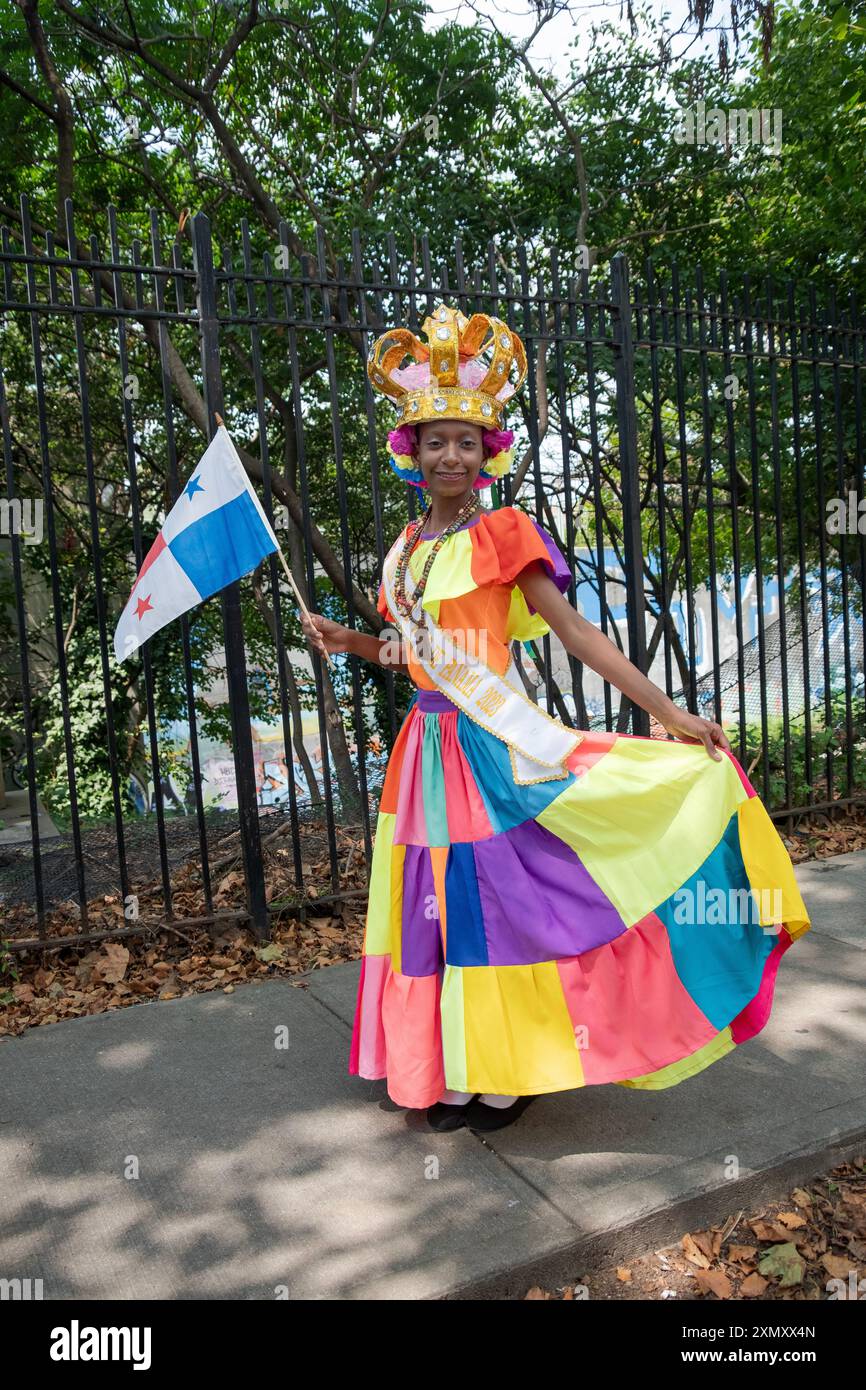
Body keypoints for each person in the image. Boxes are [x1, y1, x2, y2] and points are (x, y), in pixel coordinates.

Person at [301, 302, 811, 1134]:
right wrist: (351, 639)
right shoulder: (408, 547)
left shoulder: (503, 534)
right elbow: (416, 657)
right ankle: (455, 1063)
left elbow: (574, 632)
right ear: (412, 451)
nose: (453, 454)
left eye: (469, 441)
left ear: (489, 453)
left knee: (501, 897)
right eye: (437, 439)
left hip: (491, 745)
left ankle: (511, 1067)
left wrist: (672, 712)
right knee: (439, 896)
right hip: (423, 748)